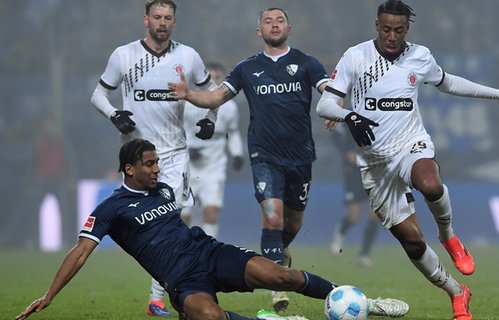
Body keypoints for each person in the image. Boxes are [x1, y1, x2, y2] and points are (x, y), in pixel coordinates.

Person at [14, 139, 410, 320]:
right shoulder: (110, 209)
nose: (156, 169)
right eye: (149, 164)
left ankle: (369, 304)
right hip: (181, 279)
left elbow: (175, 228)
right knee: (210, 317)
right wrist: (49, 295)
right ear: (129, 168)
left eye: (156, 163)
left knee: (281, 274)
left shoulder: (165, 189)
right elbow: (80, 251)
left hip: (208, 252)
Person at [315, 1, 499, 319]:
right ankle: (458, 293)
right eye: (387, 29)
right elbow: (325, 105)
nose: (392, 36)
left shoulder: (419, 56)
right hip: (376, 164)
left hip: (411, 144)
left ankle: (448, 237)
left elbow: (448, 82)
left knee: (430, 185)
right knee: (413, 243)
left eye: (399, 30)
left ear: (407, 29)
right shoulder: (355, 56)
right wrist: (350, 115)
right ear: (377, 25)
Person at [167, 7, 336, 312]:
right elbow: (216, 97)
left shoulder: (307, 63)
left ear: (290, 28)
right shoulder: (247, 68)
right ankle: (276, 287)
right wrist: (188, 93)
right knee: (272, 216)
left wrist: (334, 108)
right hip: (264, 155)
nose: (274, 25)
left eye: (280, 20)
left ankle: (280, 257)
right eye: (268, 21)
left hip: (300, 158)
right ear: (259, 31)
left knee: (292, 223)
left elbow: (330, 91)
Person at [90, 0, 219, 316]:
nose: (162, 22)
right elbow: (98, 94)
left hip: (173, 155)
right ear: (145, 20)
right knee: (149, 227)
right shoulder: (124, 55)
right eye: (157, 17)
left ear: (174, 22)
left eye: (168, 18)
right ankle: (167, 292)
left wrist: (210, 119)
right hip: (136, 157)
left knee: (173, 222)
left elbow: (214, 93)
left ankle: (160, 297)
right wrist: (114, 114)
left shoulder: (188, 56)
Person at [181, 62, 245, 238]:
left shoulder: (230, 108)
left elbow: (232, 132)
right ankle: (183, 250)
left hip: (214, 167)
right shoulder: (188, 104)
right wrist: (188, 149)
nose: (212, 83)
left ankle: (210, 252)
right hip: (187, 167)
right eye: (209, 79)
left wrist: (237, 153)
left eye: (217, 79)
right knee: (184, 214)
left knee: (211, 212)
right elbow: (176, 132)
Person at [329, 122, 380, 268]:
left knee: (375, 214)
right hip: (354, 172)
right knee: (354, 216)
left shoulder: (378, 115)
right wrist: (346, 151)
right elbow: (336, 133)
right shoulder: (349, 117)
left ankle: (364, 254)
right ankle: (340, 234)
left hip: (374, 170)